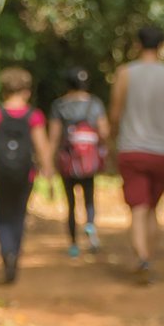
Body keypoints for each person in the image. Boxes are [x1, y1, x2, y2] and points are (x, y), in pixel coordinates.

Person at [109, 25, 164, 284]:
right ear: (162, 45)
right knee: (152, 207)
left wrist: (111, 140)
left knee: (138, 208)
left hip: (131, 149)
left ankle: (141, 257)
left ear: (137, 44)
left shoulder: (124, 74)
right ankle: (148, 258)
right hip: (162, 151)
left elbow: (115, 114)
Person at [0, 66, 51, 284]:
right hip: (25, 173)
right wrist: (48, 171)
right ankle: (15, 253)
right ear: (27, 91)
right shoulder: (34, 116)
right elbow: (42, 147)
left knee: (2, 213)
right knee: (19, 214)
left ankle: (6, 252)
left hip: (1, 171)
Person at [47, 66, 110, 257]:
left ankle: (73, 245)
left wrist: (48, 163)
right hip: (89, 162)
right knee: (89, 198)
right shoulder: (95, 104)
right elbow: (104, 132)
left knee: (71, 203)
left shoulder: (59, 106)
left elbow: (54, 137)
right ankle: (90, 225)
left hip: (67, 162)